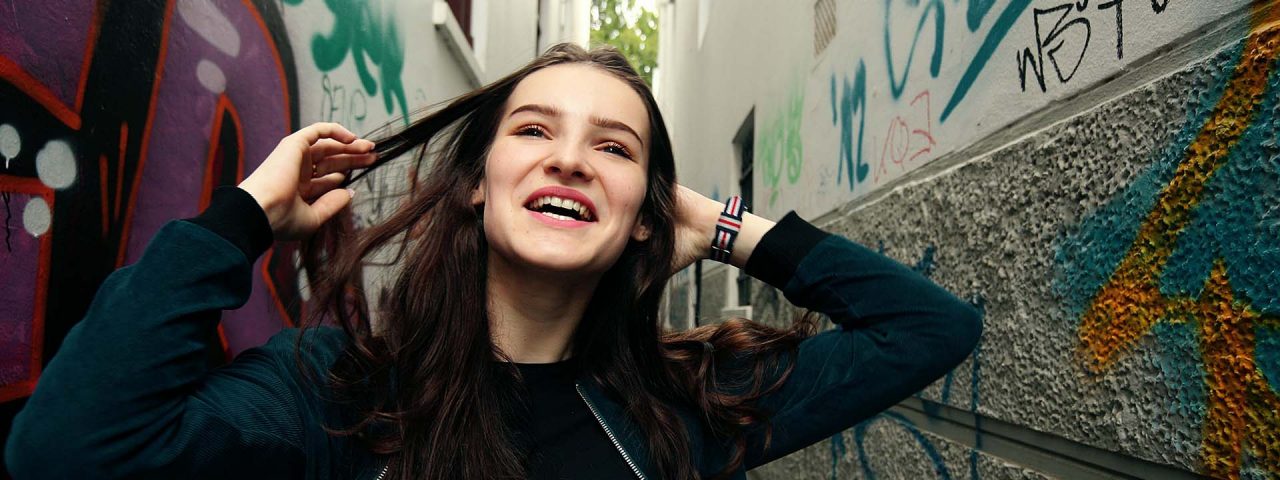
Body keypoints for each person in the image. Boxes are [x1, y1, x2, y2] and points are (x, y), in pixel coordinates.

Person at [5, 44, 980, 479]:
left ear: (648, 212)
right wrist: (245, 215)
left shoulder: (688, 409)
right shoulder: (337, 395)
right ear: (476, 182)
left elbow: (931, 328)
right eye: (533, 130)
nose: (567, 156)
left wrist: (718, 224)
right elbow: (65, 454)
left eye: (613, 146)